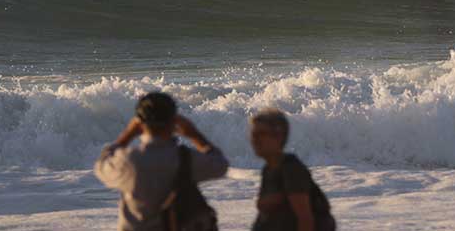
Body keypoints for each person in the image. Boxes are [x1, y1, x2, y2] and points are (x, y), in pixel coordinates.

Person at [95, 91, 229, 231]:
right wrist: (194, 134)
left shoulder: (128, 161)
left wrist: (128, 134)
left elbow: (101, 166)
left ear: (139, 123)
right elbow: (220, 165)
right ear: (174, 120)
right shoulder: (186, 159)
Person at [251, 108, 336, 231]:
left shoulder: (291, 169)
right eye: (253, 134)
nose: (255, 140)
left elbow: (305, 220)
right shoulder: (269, 169)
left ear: (278, 137)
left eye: (261, 134)